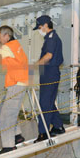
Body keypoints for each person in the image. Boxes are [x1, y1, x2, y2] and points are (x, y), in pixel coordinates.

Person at [0, 25, 28, 155]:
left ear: (7, 36)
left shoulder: (7, 47)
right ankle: (17, 135)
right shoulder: (16, 45)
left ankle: (9, 145)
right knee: (3, 107)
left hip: (16, 83)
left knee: (6, 116)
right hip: (19, 82)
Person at [32, 15, 65, 143]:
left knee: (44, 103)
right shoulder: (50, 38)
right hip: (47, 72)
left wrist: (35, 66)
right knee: (49, 102)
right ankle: (58, 126)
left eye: (40, 27)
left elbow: (48, 56)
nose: (39, 30)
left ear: (45, 25)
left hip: (49, 72)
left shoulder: (51, 38)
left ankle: (43, 132)